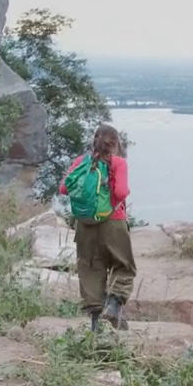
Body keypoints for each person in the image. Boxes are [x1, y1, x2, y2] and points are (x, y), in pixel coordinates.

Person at [59, 124, 136, 332]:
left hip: (85, 226)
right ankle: (113, 304)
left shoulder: (80, 162)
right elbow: (120, 192)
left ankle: (95, 325)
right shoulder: (118, 163)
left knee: (91, 268)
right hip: (113, 222)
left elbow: (64, 188)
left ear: (94, 141)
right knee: (123, 266)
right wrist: (114, 195)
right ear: (116, 144)